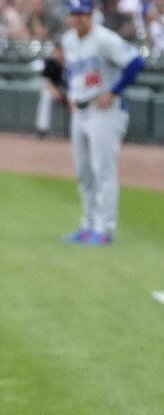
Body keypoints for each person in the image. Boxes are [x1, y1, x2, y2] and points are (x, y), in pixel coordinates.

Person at [59, 0, 145, 246]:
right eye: (74, 14)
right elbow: (71, 72)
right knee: (83, 173)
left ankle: (104, 229)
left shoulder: (104, 38)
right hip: (81, 110)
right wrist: (71, 94)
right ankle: (87, 226)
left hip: (105, 113)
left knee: (103, 172)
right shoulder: (68, 40)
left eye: (83, 14)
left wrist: (114, 91)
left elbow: (137, 62)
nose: (78, 18)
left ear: (91, 15)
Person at [35, 42, 67, 139]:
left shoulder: (70, 62)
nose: (58, 53)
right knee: (46, 96)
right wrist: (55, 92)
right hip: (54, 91)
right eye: (57, 51)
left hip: (69, 91)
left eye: (61, 51)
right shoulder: (50, 63)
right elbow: (46, 82)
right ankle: (42, 129)